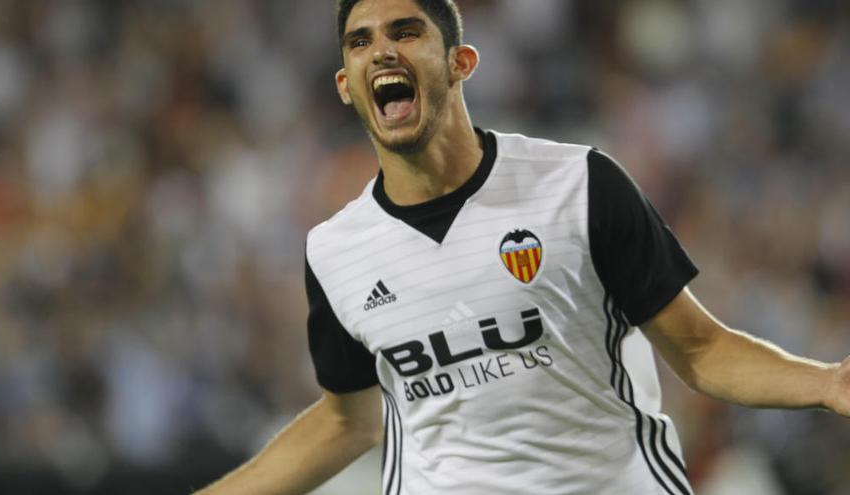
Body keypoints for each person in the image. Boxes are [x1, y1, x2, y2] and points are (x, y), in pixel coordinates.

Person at [196, 0, 850, 493]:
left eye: (406, 32)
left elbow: (701, 350)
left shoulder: (579, 185)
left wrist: (828, 381)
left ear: (461, 62)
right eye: (360, 42)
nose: (382, 52)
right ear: (346, 84)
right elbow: (349, 421)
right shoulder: (334, 251)